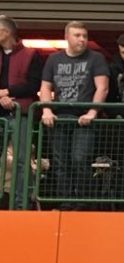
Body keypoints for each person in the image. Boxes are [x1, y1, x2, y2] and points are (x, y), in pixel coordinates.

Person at [38, 21, 110, 207]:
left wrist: (92, 112)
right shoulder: (54, 59)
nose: (82, 39)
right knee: (60, 162)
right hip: (60, 117)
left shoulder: (96, 58)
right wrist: (47, 109)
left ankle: (84, 202)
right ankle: (65, 203)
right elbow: (45, 87)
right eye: (77, 35)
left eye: (84, 36)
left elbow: (102, 88)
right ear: (67, 37)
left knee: (80, 159)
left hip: (83, 118)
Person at [0, 15, 42, 208]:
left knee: (21, 160)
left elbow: (33, 85)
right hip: (3, 113)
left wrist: (7, 93)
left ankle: (20, 204)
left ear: (6, 32)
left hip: (21, 113)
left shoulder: (31, 55)